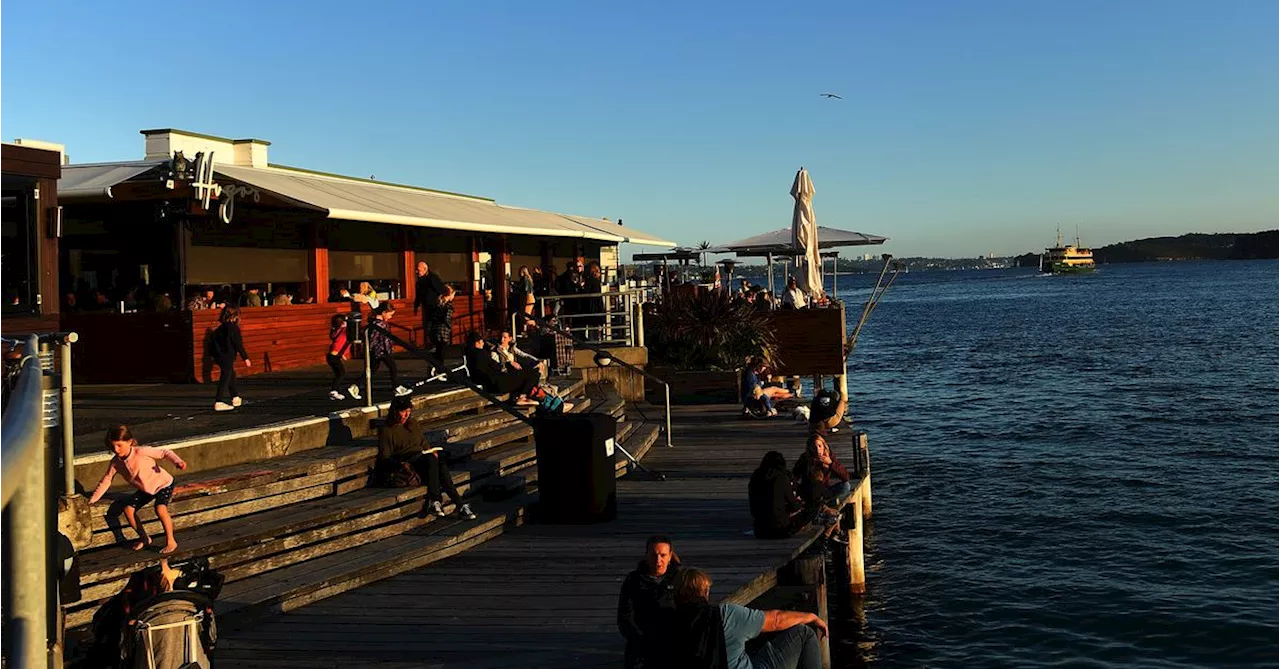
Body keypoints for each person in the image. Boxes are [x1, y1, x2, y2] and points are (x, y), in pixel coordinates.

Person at [672, 567, 826, 669]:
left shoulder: (664, 622)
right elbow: (776, 620)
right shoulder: (725, 614)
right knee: (804, 634)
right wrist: (811, 617)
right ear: (705, 592)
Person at [88, 425, 188, 555]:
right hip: (146, 489)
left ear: (129, 442)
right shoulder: (116, 463)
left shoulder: (140, 452)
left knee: (160, 508)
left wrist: (177, 462)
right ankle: (144, 538)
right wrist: (93, 499)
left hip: (163, 484)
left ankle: (171, 541)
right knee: (128, 509)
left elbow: (165, 452)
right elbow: (106, 480)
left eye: (119, 445)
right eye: (113, 447)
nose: (116, 450)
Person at [377, 396, 476, 520]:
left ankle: (448, 504)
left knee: (438, 461)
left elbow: (423, 442)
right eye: (403, 411)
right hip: (408, 463)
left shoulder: (412, 423)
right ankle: (450, 503)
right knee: (434, 462)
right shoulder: (387, 430)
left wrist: (431, 450)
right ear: (394, 411)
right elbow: (385, 457)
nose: (406, 415)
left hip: (424, 459)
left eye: (408, 411)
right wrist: (400, 464)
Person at [618, 535, 683, 669]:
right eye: (654, 555)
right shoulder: (633, 580)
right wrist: (641, 639)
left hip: (672, 643)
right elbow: (624, 617)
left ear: (670, 556)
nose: (658, 561)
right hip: (641, 644)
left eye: (663, 555)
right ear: (646, 555)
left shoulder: (680, 579)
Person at [791, 432, 852, 545]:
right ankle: (833, 529)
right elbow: (794, 476)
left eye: (819, 446)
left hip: (825, 490)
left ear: (824, 446)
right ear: (809, 448)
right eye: (814, 446)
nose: (817, 449)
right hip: (811, 492)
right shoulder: (805, 458)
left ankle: (826, 510)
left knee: (846, 486)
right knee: (830, 504)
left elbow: (845, 476)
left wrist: (831, 464)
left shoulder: (829, 455)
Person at [463, 331, 540, 405]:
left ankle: (521, 396)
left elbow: (523, 355)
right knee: (533, 373)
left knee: (525, 373)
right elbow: (497, 366)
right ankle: (522, 397)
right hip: (496, 384)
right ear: (477, 342)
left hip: (489, 382)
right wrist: (508, 364)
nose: (483, 343)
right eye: (482, 341)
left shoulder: (470, 354)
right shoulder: (481, 353)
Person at [748, 451, 807, 540]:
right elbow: (794, 505)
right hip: (780, 529)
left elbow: (753, 508)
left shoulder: (755, 477)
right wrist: (799, 503)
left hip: (760, 531)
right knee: (809, 510)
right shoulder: (782, 478)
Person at [210, 306, 251, 411]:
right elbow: (238, 344)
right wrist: (245, 358)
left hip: (219, 355)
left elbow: (212, 344)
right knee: (226, 376)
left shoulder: (219, 329)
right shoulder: (234, 328)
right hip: (228, 355)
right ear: (235, 316)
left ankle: (235, 397)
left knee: (231, 374)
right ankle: (218, 401)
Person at [367, 305, 411, 397]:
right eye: (390, 315)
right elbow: (375, 338)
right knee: (393, 368)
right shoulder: (380, 324)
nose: (391, 317)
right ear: (384, 313)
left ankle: (356, 385)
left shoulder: (379, 322)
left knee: (373, 369)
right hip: (382, 350)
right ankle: (395, 387)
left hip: (381, 349)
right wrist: (372, 348)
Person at [326, 313, 362, 401]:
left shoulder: (336, 330)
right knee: (341, 373)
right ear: (342, 323)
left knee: (339, 373)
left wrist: (342, 355)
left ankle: (334, 391)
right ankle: (334, 391)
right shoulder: (343, 330)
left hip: (333, 356)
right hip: (334, 357)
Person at [413, 261, 447, 352]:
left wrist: (442, 300)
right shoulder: (419, 282)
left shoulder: (433, 278)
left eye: (418, 270)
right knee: (428, 328)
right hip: (426, 308)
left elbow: (442, 289)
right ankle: (433, 345)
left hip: (435, 307)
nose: (417, 272)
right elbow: (418, 295)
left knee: (435, 328)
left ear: (425, 269)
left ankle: (438, 346)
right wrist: (416, 306)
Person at [426, 284, 457, 366]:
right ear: (450, 294)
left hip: (434, 330)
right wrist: (450, 325)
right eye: (453, 295)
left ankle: (434, 366)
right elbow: (446, 319)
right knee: (441, 353)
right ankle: (439, 370)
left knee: (438, 352)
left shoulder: (437, 303)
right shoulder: (448, 307)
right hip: (443, 332)